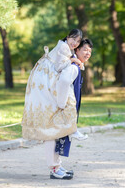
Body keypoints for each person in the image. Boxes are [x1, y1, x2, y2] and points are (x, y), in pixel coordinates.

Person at [45, 39, 93, 180]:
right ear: (76, 50)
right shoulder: (72, 67)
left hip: (63, 108)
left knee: (60, 137)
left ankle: (57, 166)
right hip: (61, 109)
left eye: (90, 51)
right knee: (56, 138)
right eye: (85, 49)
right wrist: (61, 105)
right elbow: (64, 82)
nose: (88, 53)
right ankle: (54, 170)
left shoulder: (74, 65)